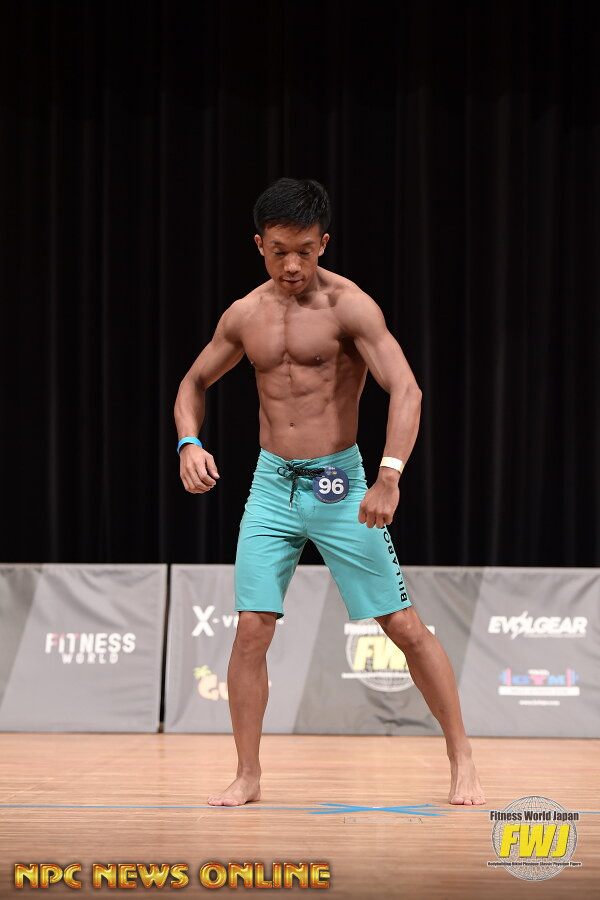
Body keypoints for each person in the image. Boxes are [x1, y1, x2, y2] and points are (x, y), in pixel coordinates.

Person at [174, 177, 485, 808]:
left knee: (401, 624)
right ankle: (248, 774)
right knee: (251, 628)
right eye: (279, 251)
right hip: (271, 484)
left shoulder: (351, 308)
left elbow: (406, 389)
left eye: (305, 251)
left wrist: (389, 475)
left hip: (339, 482)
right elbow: (193, 383)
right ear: (259, 245)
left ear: (324, 243)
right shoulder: (244, 315)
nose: (292, 265)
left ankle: (462, 757)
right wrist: (188, 442)